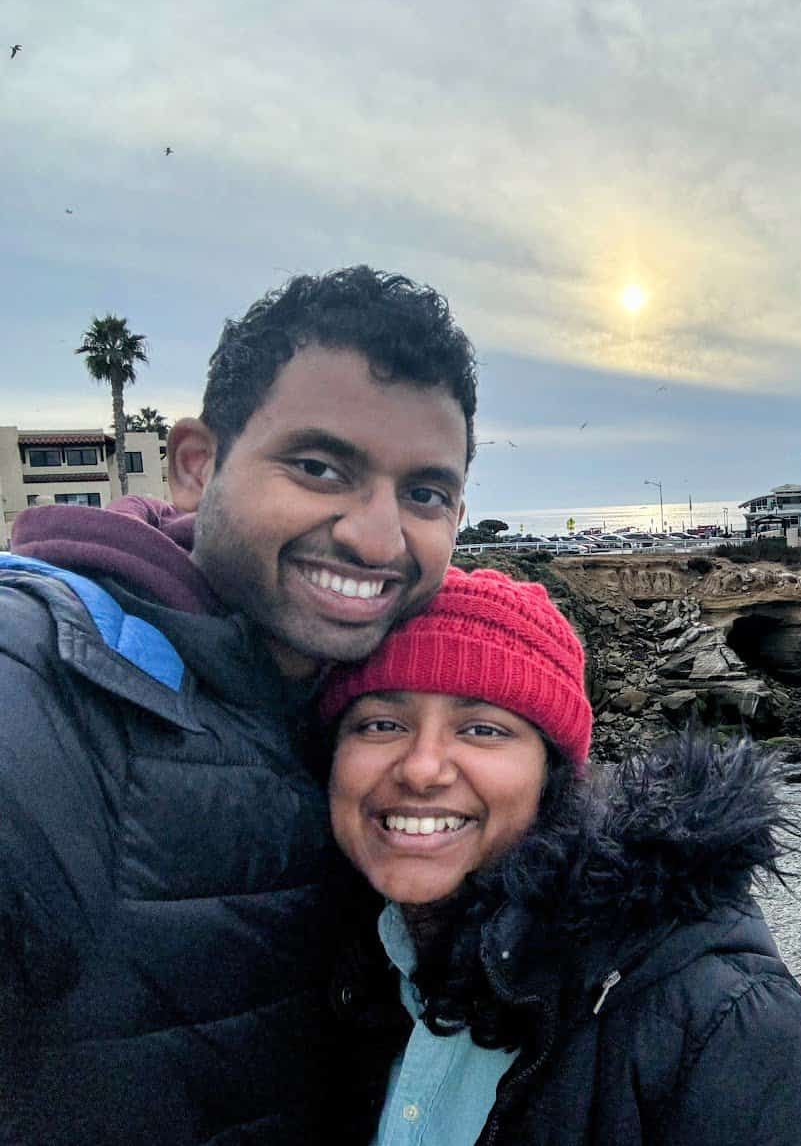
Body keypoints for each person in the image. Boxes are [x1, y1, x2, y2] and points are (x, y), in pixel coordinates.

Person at [0, 266, 477, 1143]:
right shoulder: (45, 678)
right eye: (320, 466)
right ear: (196, 465)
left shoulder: (379, 704)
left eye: (424, 493)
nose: (377, 537)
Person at [324, 567, 801, 1145]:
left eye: (483, 728)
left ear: (553, 777)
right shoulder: (307, 970)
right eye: (381, 723)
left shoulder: (714, 1019)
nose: (423, 768)